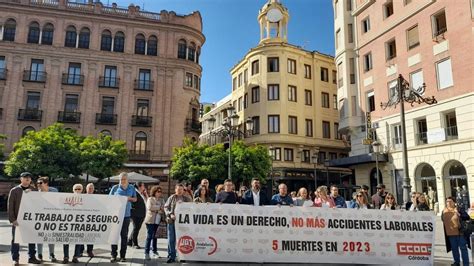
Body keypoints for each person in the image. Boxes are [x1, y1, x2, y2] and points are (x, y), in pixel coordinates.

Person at [8, 172, 40, 265]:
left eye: (29, 178)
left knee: (32, 238)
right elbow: (10, 206)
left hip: (31, 219)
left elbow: (39, 204)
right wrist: (12, 219)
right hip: (18, 219)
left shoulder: (34, 190)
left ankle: (32, 257)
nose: (27, 179)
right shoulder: (15, 190)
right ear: (21, 179)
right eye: (25, 177)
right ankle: (15, 259)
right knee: (15, 240)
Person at [109, 172, 137, 263]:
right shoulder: (115, 188)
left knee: (124, 236)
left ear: (127, 179)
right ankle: (113, 255)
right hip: (116, 215)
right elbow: (109, 199)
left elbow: (135, 199)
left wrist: (128, 198)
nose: (122, 181)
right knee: (114, 236)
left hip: (126, 215)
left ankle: (123, 256)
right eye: (121, 179)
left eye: (124, 179)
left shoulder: (132, 188)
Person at [164, 183, 192, 263]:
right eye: (178, 189)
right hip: (172, 221)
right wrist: (170, 214)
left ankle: (181, 255)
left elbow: (192, 207)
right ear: (175, 190)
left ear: (183, 190)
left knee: (182, 239)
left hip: (183, 223)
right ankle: (172, 256)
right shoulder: (172, 198)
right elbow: (166, 207)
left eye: (181, 189)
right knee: (171, 239)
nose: (179, 191)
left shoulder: (186, 199)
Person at [442, 197, 470, 266]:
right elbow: (443, 219)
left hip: (460, 232)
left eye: (450, 201)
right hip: (450, 233)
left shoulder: (459, 208)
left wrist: (459, 214)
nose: (448, 203)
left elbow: (467, 217)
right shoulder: (444, 210)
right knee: (454, 249)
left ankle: (466, 264)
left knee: (463, 249)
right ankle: (456, 262)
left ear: (454, 202)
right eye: (447, 201)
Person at [36, 176, 58, 263]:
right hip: (40, 217)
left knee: (51, 237)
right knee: (39, 237)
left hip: (51, 217)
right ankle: (39, 254)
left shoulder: (54, 191)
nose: (38, 185)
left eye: (40, 183)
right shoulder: (36, 193)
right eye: (37, 183)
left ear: (46, 183)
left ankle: (51, 254)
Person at [63, 184, 84, 263]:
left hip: (79, 223)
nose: (77, 190)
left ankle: (75, 256)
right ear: (73, 190)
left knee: (78, 240)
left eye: (79, 189)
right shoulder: (68, 198)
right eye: (76, 189)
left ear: (82, 190)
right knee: (65, 240)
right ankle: (66, 257)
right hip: (69, 222)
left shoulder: (85, 199)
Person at [144, 186, 165, 260]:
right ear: (154, 192)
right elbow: (150, 207)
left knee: (155, 236)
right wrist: (159, 208)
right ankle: (146, 253)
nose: (159, 193)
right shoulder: (150, 199)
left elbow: (163, 209)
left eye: (160, 191)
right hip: (150, 220)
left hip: (158, 220)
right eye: (158, 191)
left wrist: (157, 208)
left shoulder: (162, 200)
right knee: (149, 236)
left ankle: (154, 251)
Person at [128, 182, 147, 249]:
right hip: (136, 214)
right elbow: (132, 202)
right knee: (136, 228)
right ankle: (134, 243)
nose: (144, 187)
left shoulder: (140, 193)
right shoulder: (135, 192)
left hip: (140, 214)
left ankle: (130, 241)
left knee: (136, 228)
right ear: (139, 186)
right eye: (143, 185)